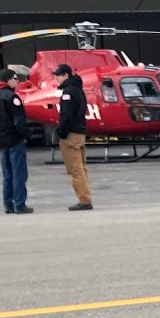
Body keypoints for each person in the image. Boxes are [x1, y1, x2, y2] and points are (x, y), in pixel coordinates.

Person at [0, 69, 33, 215]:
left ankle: (8, 204)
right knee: (18, 173)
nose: (17, 81)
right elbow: (19, 121)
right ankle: (19, 204)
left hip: (1, 141)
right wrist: (27, 135)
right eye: (15, 78)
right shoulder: (12, 97)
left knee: (7, 175)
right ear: (8, 81)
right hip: (14, 140)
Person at [54, 63, 93, 210]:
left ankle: (84, 200)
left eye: (58, 75)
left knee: (75, 169)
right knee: (82, 168)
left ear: (66, 75)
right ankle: (86, 197)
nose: (56, 78)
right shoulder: (78, 90)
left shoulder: (68, 92)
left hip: (71, 135)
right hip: (80, 133)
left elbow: (66, 115)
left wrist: (61, 131)